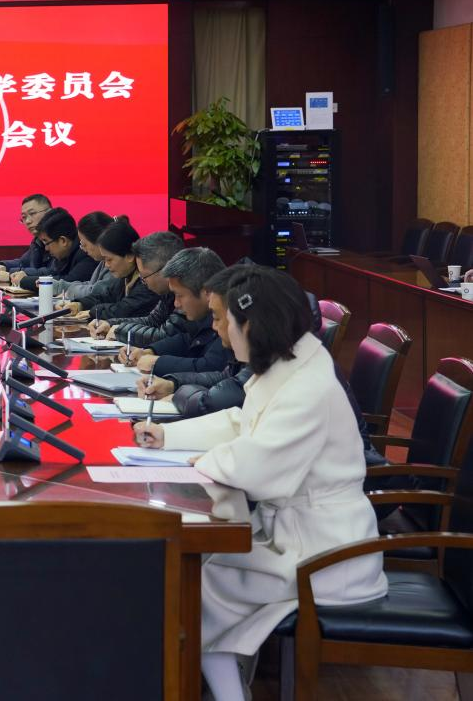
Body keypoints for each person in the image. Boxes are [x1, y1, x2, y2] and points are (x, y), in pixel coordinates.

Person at [133, 265, 387, 701]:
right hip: (300, 538)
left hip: (325, 553)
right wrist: (168, 436)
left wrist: (206, 459)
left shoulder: (308, 385)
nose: (218, 329)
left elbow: (260, 465)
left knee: (192, 586)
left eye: (222, 319)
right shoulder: (291, 364)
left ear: (251, 324)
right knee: (194, 578)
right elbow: (241, 421)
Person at [129, 247, 229, 376]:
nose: (176, 303)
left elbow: (211, 366)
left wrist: (158, 363)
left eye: (179, 295)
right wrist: (150, 351)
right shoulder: (203, 316)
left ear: (207, 292)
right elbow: (188, 340)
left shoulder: (231, 316)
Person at [90, 230, 182, 342]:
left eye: (144, 277)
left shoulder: (188, 291)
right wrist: (110, 324)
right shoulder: (167, 292)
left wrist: (120, 331)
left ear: (164, 271)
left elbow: (165, 335)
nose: (143, 282)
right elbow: (152, 321)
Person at [65, 216, 159, 320]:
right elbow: (105, 297)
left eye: (109, 259)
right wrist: (80, 304)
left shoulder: (147, 281)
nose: (106, 265)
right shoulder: (126, 277)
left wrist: (93, 312)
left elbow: (123, 310)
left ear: (130, 256)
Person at [16, 207, 96, 290]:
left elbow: (68, 282)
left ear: (63, 241)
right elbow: (52, 273)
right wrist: (24, 275)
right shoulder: (64, 254)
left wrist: (25, 281)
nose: (46, 248)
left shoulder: (86, 253)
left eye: (47, 242)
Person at [44, 211, 114, 301]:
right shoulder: (103, 261)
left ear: (99, 241)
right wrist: (57, 286)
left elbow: (96, 291)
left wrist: (70, 292)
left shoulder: (114, 262)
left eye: (84, 244)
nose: (83, 248)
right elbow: (91, 284)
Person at [0, 193, 54, 286]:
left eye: (32, 214)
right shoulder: (38, 241)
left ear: (49, 213)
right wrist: (3, 265)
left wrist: (10, 274)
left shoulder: (59, 238)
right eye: (24, 217)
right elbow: (23, 262)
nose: (28, 221)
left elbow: (51, 272)